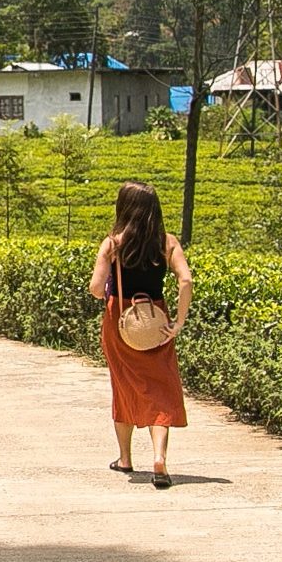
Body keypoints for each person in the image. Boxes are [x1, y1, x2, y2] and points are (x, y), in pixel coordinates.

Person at [89, 179, 190, 486]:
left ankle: (125, 458)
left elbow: (95, 289)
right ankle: (159, 458)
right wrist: (178, 322)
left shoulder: (113, 243)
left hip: (120, 320)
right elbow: (186, 281)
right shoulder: (168, 242)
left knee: (124, 386)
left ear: (124, 207)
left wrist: (109, 289)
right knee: (160, 388)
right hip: (156, 320)